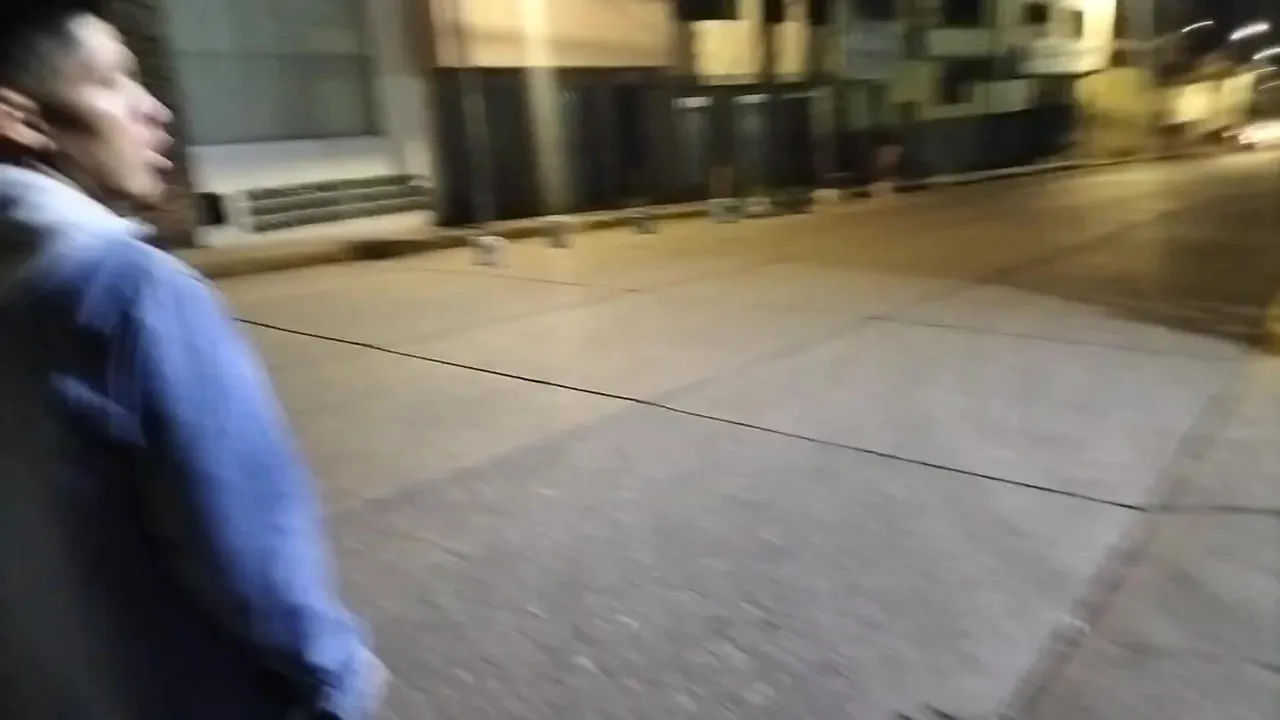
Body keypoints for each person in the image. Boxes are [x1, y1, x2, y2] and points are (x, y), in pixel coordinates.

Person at [0, 3, 385, 718]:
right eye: (113, 81)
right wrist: (338, 682)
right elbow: (256, 566)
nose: (155, 110)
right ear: (20, 118)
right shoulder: (131, 295)